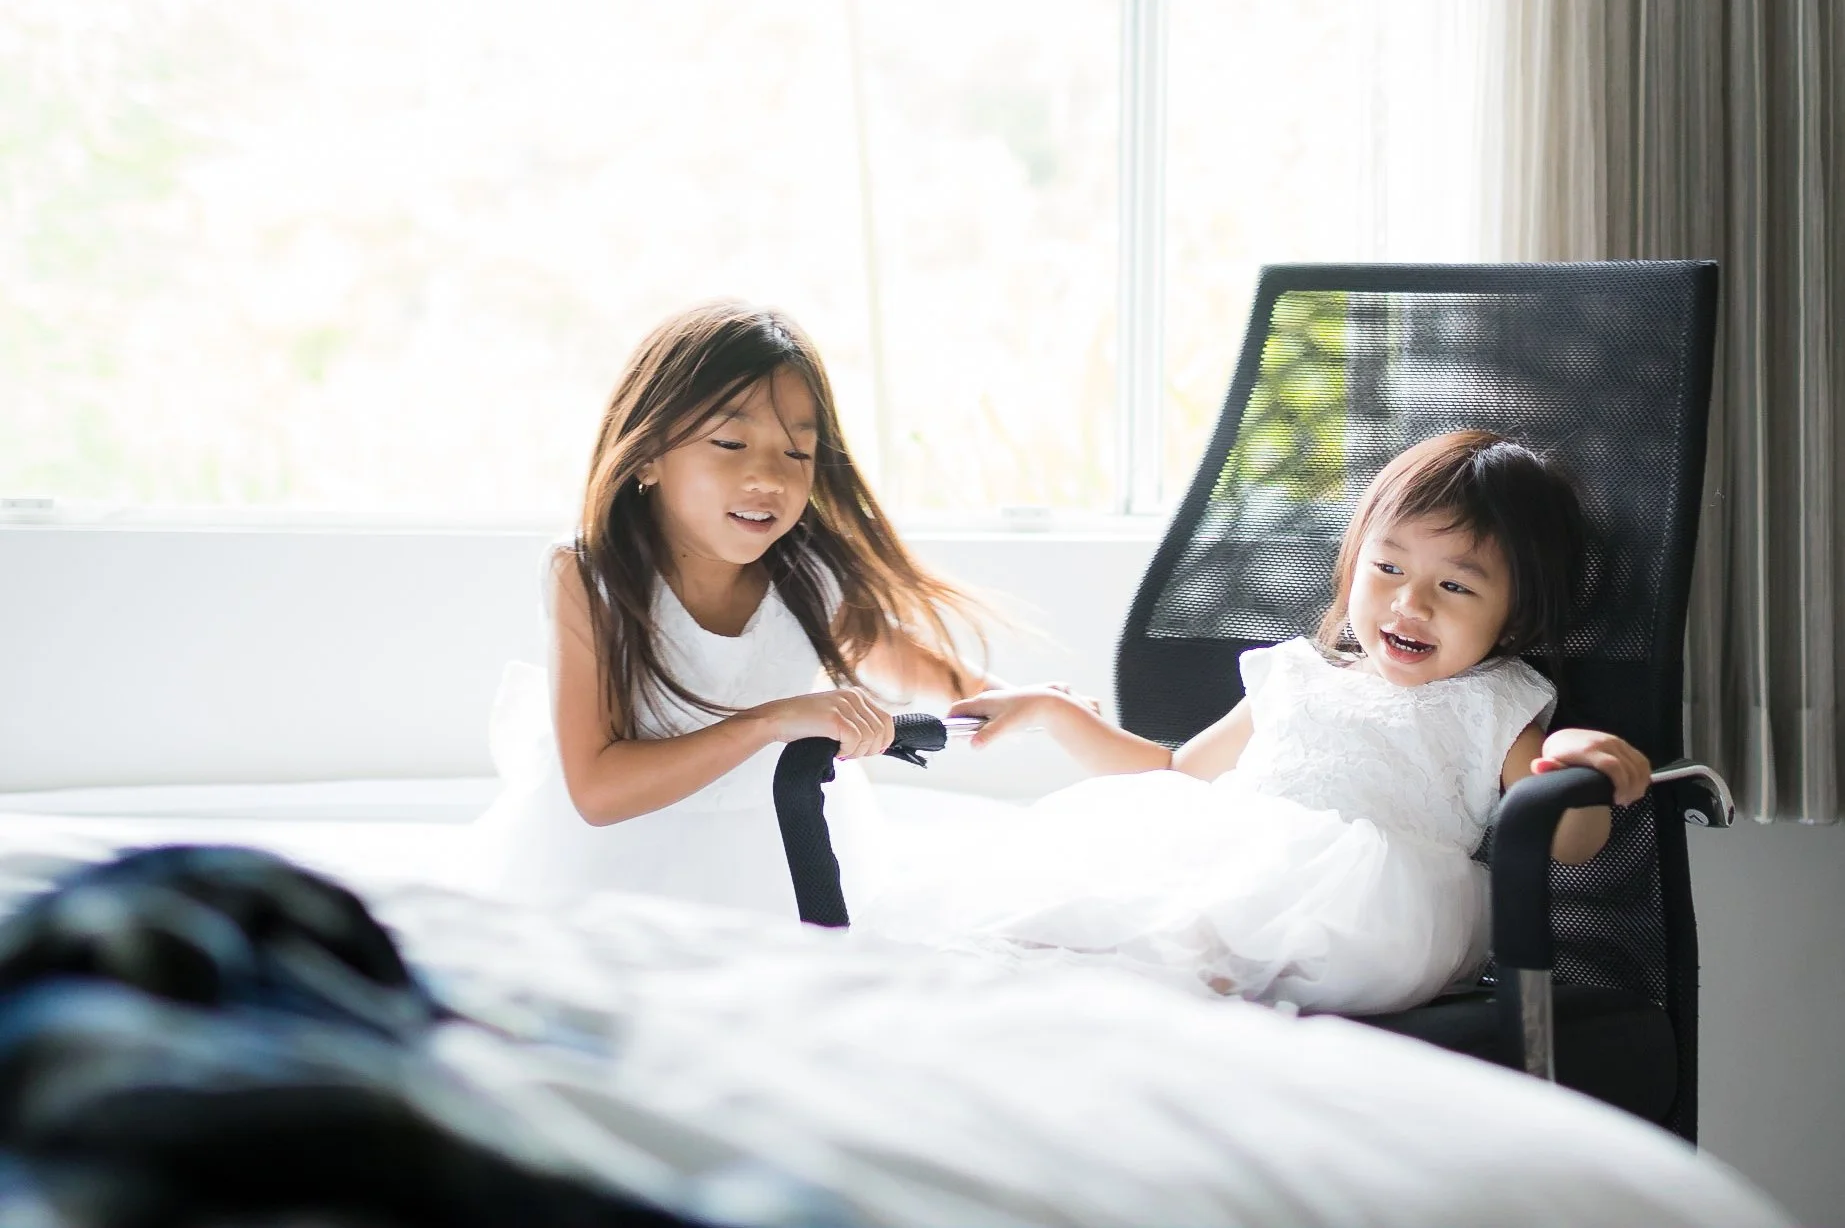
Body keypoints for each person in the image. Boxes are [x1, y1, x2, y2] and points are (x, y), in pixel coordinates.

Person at [858, 431, 1653, 1016]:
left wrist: (1571, 757)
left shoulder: (1495, 701)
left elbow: (1570, 841)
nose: (1409, 604)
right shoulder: (1297, 674)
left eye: (1455, 587)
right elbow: (1171, 774)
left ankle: (1178, 1011)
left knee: (1199, 944)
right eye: (1387, 569)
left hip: (1372, 902)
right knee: (1079, 909)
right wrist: (1053, 713)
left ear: (1513, 617)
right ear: (1352, 564)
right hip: (1240, 863)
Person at [472, 300, 992, 918]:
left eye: (797, 453)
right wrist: (771, 721)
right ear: (646, 455)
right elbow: (598, 791)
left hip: (783, 847)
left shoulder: (810, 575)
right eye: (729, 442)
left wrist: (1020, 702)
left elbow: (920, 668)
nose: (768, 477)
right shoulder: (589, 573)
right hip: (615, 870)